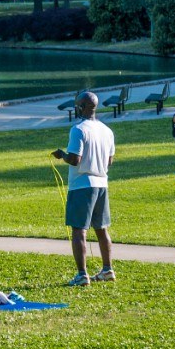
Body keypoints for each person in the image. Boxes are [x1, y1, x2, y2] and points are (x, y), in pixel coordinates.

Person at [51, 91, 116, 286]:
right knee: (102, 229)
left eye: (78, 105)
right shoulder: (107, 130)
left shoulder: (78, 129)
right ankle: (107, 269)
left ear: (81, 107)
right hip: (102, 183)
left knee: (79, 230)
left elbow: (75, 159)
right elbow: (110, 161)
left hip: (82, 185)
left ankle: (82, 275)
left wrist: (62, 154)